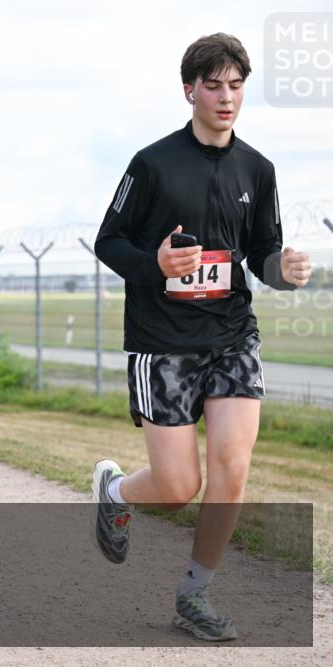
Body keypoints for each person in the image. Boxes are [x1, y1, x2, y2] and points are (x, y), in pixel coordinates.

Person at [91, 33, 312, 642]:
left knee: (233, 466)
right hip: (161, 339)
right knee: (177, 486)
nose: (225, 96)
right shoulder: (153, 163)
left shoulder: (258, 169)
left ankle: (194, 595)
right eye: (212, 85)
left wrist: (283, 272)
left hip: (232, 333)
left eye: (235, 85)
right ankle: (114, 490)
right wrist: (155, 267)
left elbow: (262, 251)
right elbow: (109, 240)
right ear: (189, 90)